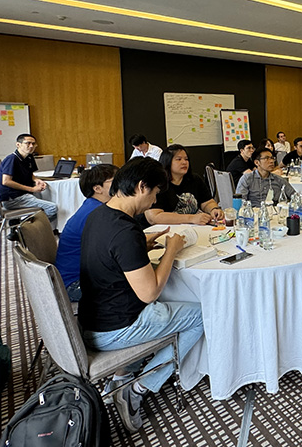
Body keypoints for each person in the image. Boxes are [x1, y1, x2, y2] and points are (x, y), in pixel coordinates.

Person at [79, 157, 204, 433]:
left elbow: (112, 258)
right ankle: (139, 387)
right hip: (115, 328)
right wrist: (172, 248)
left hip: (91, 317)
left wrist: (141, 245)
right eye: (156, 192)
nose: (155, 199)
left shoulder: (99, 216)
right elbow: (150, 292)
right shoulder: (124, 231)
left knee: (172, 304)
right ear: (141, 187)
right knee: (204, 316)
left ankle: (123, 374)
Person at [55, 164, 119, 302]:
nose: (122, 183)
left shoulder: (93, 206)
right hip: (75, 284)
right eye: (116, 179)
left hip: (76, 277)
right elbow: (115, 253)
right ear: (97, 189)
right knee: (138, 284)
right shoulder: (97, 214)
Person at [147, 144, 223, 225]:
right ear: (168, 161)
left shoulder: (195, 179)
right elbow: (154, 217)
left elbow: (207, 202)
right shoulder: (158, 184)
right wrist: (191, 218)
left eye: (186, 159)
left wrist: (213, 209)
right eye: (178, 159)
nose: (184, 162)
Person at [0, 133, 58, 222]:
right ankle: (26, 229)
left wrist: (36, 180)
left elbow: (30, 174)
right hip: (13, 199)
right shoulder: (11, 159)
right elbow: (6, 181)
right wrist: (31, 189)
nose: (31, 146)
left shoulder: (29, 157)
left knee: (46, 196)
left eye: (33, 144)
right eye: (28, 143)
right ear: (18, 144)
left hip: (24, 195)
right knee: (52, 208)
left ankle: (21, 227)